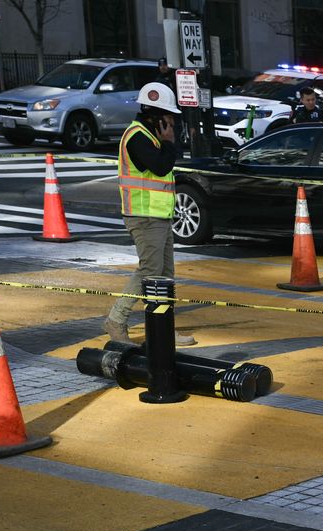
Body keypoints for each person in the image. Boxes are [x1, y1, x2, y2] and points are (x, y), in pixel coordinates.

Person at [105, 83, 193, 346]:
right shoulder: (138, 137)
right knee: (149, 271)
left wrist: (166, 143)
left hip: (159, 216)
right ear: (155, 115)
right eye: (168, 118)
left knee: (164, 275)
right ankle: (116, 319)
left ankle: (162, 329)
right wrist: (169, 144)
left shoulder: (149, 136)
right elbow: (160, 166)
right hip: (143, 217)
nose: (171, 123)